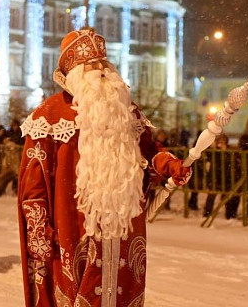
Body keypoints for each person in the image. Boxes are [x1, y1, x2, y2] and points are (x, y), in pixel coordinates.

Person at [17, 28, 192, 307]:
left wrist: (168, 164)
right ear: (73, 73)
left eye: (104, 64)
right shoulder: (49, 116)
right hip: (74, 228)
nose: (101, 70)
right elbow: (34, 184)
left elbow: (148, 153)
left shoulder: (127, 111)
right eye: (91, 65)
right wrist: (39, 231)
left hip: (123, 231)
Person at [202, 133, 242, 219]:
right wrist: (213, 149)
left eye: (222, 141)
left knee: (228, 197)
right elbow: (206, 159)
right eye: (218, 141)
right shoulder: (211, 151)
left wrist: (225, 152)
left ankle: (230, 215)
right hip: (215, 177)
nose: (220, 143)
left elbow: (233, 162)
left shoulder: (230, 151)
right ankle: (207, 214)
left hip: (227, 177)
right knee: (211, 196)